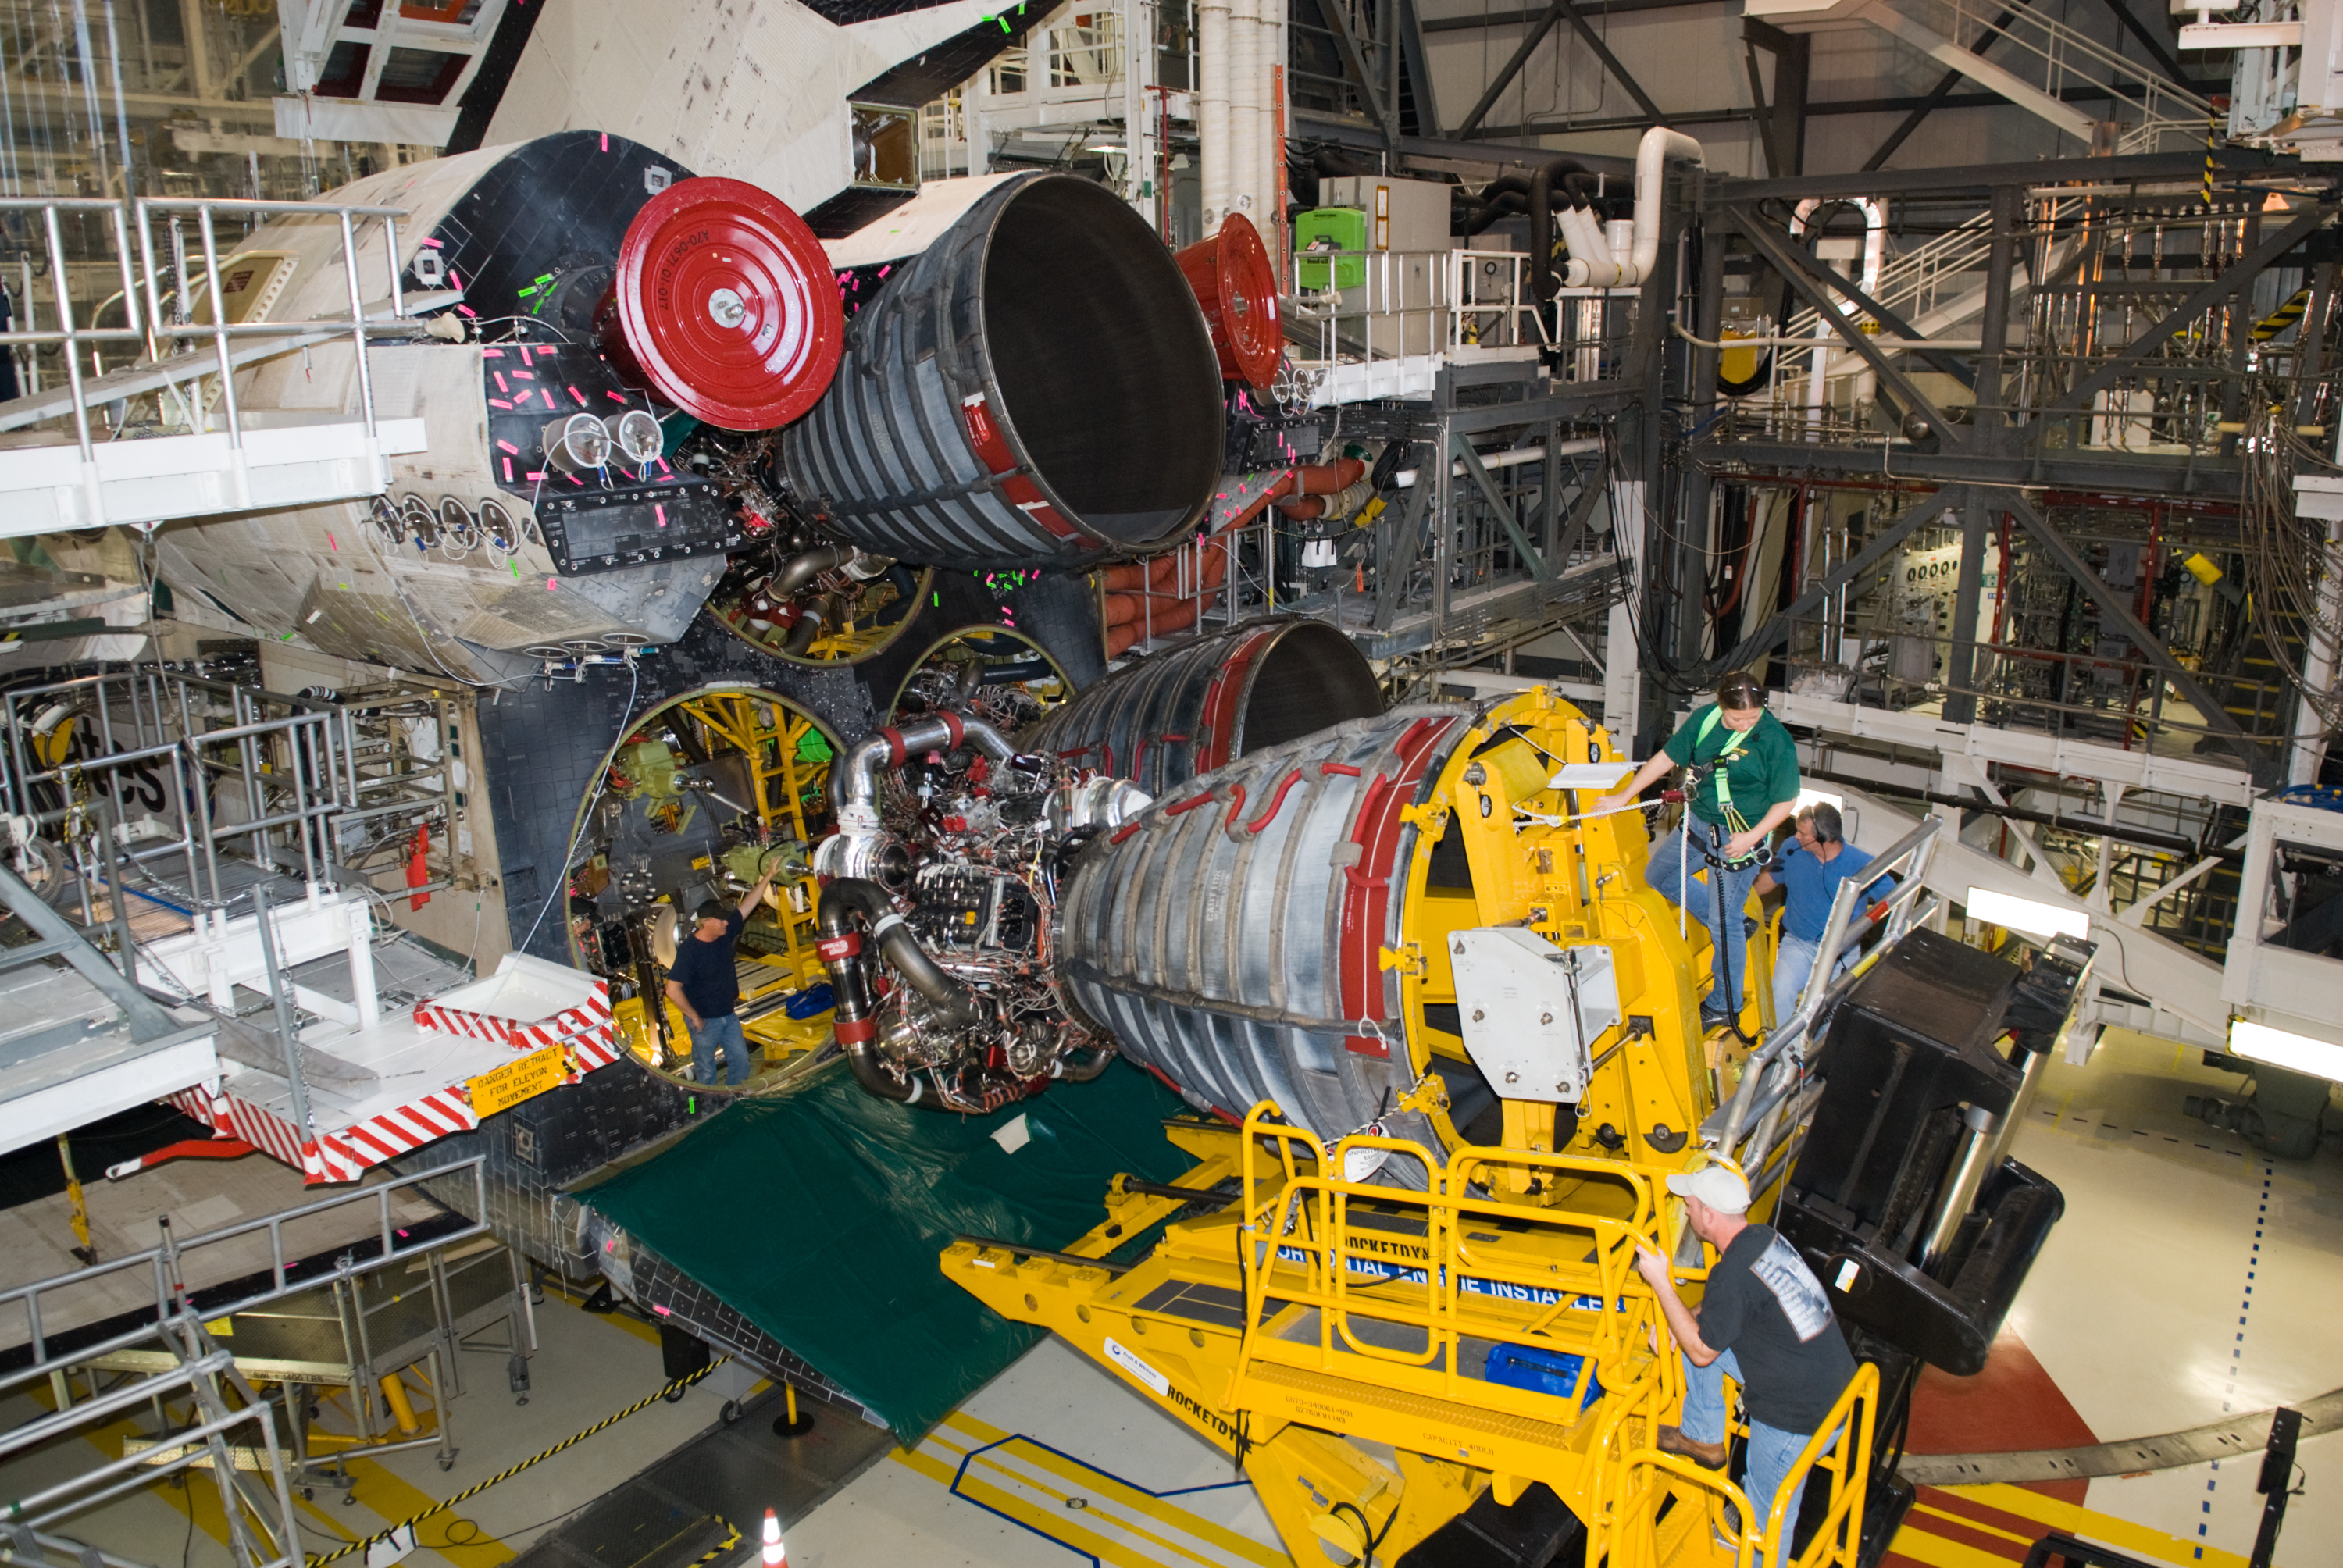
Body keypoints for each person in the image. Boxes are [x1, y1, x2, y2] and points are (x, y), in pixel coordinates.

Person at [1634, 1166, 1856, 1560]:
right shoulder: (1764, 1238)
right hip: (1833, 1388)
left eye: (1690, 1206)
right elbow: (1727, 1307)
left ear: (1708, 1215)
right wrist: (1680, 1323)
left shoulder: (1731, 1273)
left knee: (1764, 1519)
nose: (1686, 1213)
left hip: (1798, 1417)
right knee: (1692, 1334)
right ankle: (1701, 1436)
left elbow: (1703, 1350)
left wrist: (1662, 1284)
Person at [1593, 671, 1799, 1025]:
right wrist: (1623, 796)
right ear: (1721, 707)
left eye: (1753, 717)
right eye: (1737, 718)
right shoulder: (1705, 721)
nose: (1745, 724)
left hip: (1742, 835)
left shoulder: (1775, 741)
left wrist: (1752, 838)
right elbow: (1666, 758)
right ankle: (1736, 924)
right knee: (1659, 875)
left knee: (1724, 922)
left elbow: (1786, 801)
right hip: (1699, 824)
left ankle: (1725, 1004)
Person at [1754, 803, 1895, 1023]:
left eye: (1803, 833)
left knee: (1830, 1013)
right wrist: (1736, 897)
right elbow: (1768, 881)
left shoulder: (1862, 863)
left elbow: (1893, 898)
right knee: (1779, 992)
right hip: (1798, 943)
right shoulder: (1792, 848)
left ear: (1823, 838)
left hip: (1841, 950)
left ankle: (1816, 1056)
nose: (1796, 836)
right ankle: (1783, 1056)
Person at [663, 868, 776, 1086]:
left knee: (742, 1061)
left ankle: (734, 1097)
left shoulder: (723, 933)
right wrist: (694, 1017)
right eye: (721, 920)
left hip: (729, 1015)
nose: (727, 923)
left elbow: (746, 907)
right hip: (705, 1022)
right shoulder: (690, 951)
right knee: (706, 1070)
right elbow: (672, 989)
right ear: (706, 922)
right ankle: (704, 1105)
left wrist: (768, 877)